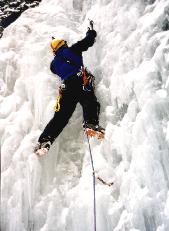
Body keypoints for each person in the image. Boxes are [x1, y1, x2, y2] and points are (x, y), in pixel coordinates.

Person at [34, 27, 105, 156]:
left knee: (61, 117)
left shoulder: (53, 64)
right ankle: (90, 123)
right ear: (64, 45)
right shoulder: (73, 50)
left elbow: (57, 69)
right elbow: (87, 41)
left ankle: (45, 140)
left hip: (66, 88)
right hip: (80, 81)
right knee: (89, 100)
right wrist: (91, 33)